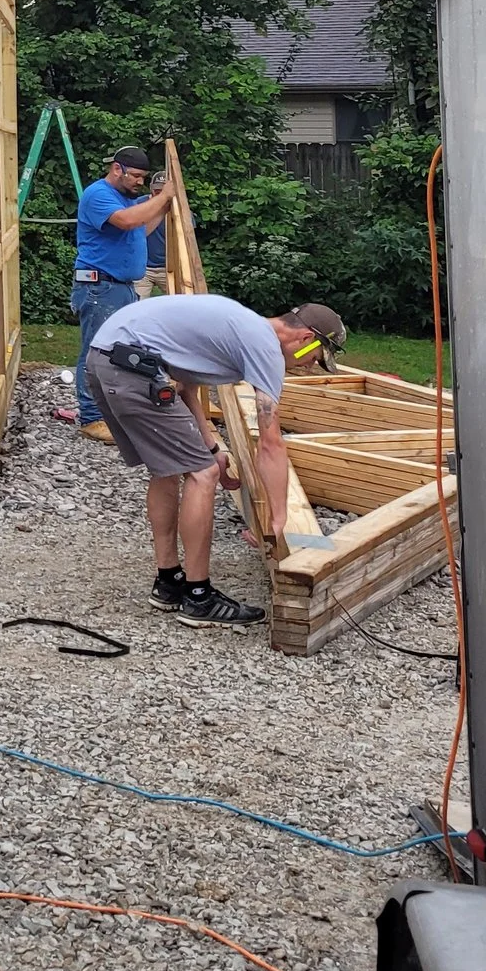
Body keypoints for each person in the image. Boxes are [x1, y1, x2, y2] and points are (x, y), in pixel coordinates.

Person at [83, 293, 347, 628]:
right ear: (306, 338)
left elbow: (185, 388)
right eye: (314, 357)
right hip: (132, 369)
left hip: (107, 359)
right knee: (202, 475)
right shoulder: (265, 347)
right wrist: (278, 518)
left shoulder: (238, 326)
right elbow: (270, 444)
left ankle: (168, 582)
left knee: (167, 469)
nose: (309, 365)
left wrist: (211, 449)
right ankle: (199, 597)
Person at [58, 148, 175, 434]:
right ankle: (91, 418)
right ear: (117, 169)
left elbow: (139, 229)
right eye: (135, 176)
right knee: (96, 351)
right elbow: (127, 221)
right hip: (100, 287)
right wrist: (162, 197)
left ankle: (112, 410)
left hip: (120, 286)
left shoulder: (126, 199)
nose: (140, 182)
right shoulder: (98, 194)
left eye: (143, 177)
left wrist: (162, 208)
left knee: (121, 352)